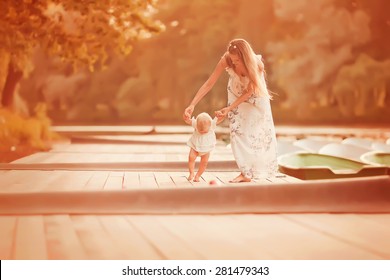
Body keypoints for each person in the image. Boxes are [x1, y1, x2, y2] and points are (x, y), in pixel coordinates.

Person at [183, 38, 278, 183]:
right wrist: (192, 104)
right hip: (236, 91)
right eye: (232, 60)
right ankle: (245, 172)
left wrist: (229, 108)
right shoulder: (226, 60)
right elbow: (209, 84)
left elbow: (250, 91)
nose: (234, 63)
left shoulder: (256, 64)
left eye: (237, 61)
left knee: (255, 133)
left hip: (255, 96)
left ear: (245, 57)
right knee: (237, 132)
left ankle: (254, 170)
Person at [184, 112, 223, 182]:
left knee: (204, 163)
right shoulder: (195, 124)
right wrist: (186, 117)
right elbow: (188, 121)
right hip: (195, 145)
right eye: (200, 131)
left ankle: (198, 175)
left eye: (204, 132)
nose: (202, 132)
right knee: (191, 157)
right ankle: (191, 172)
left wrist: (219, 116)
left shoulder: (212, 125)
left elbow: (219, 120)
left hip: (206, 148)